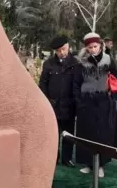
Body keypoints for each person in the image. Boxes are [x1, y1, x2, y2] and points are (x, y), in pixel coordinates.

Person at [74, 32, 117, 178]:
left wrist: (114, 97)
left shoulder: (108, 60)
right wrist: (79, 100)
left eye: (95, 46)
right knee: (87, 133)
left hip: (103, 101)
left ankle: (100, 165)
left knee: (102, 134)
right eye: (90, 47)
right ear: (86, 47)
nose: (93, 49)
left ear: (100, 45)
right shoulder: (81, 62)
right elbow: (76, 82)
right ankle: (88, 164)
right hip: (86, 102)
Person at [39, 35, 79, 167]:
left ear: (68, 47)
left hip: (69, 106)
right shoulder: (49, 64)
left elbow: (78, 85)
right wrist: (47, 102)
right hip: (53, 106)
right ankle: (53, 157)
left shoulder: (75, 64)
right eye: (58, 51)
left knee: (68, 134)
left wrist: (76, 103)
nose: (62, 53)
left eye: (64, 49)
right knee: (53, 133)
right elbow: (43, 84)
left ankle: (67, 159)